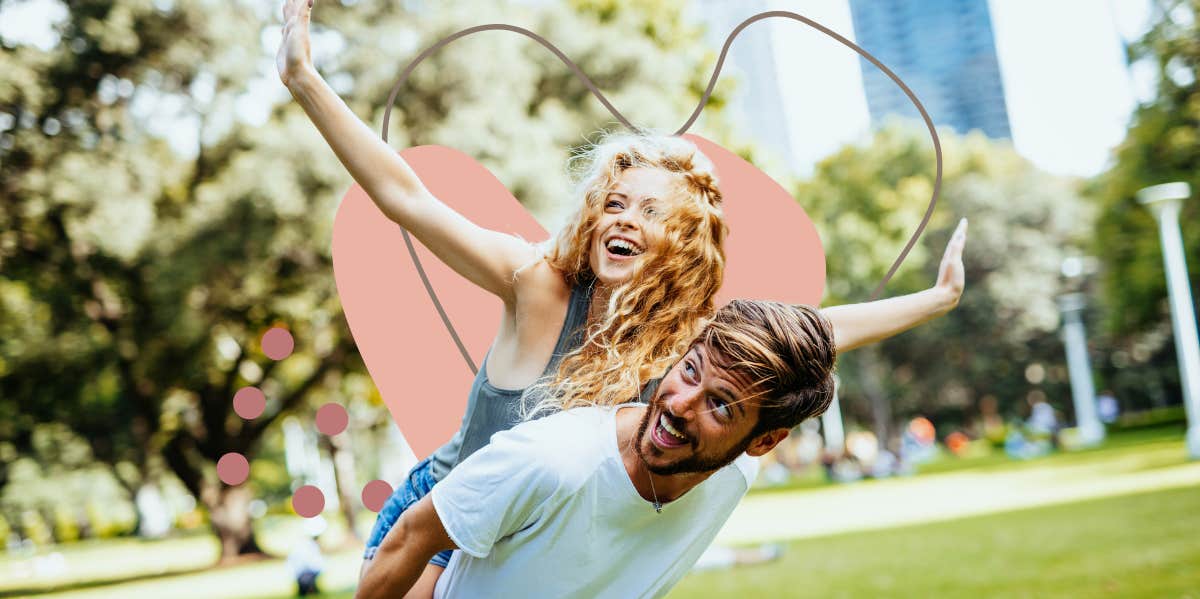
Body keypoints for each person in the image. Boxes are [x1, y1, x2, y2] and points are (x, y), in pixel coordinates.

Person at [276, 0, 968, 591]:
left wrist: (936, 301)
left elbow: (818, 329)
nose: (623, 220)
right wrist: (304, 79)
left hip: (539, 537)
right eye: (615, 202)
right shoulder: (535, 282)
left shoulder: (686, 341)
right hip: (439, 524)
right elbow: (405, 196)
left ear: (684, 242)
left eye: (649, 213)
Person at [356, 300, 837, 599]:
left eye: (720, 405)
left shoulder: (733, 476)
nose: (680, 405)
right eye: (689, 370)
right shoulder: (554, 460)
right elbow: (410, 536)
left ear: (764, 441)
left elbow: (831, 339)